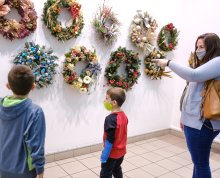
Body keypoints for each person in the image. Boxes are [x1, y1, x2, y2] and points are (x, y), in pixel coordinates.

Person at [152, 33, 220, 178]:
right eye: (197, 47)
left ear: (213, 47)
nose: (198, 50)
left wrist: (169, 63)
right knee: (198, 163)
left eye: (202, 47)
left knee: (201, 164)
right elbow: (190, 92)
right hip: (195, 121)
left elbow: (192, 76)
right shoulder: (206, 63)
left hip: (202, 123)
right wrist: (184, 117)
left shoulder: (218, 61)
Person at [0, 65, 46, 178]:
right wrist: (40, 171)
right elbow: (36, 145)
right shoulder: (35, 112)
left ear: (8, 86)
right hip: (25, 171)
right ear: (33, 86)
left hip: (3, 167)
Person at [101, 87, 128, 178]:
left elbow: (110, 140)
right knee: (116, 169)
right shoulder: (123, 115)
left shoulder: (110, 119)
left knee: (105, 174)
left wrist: (104, 155)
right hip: (121, 152)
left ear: (114, 102)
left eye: (106, 98)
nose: (104, 100)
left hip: (111, 154)